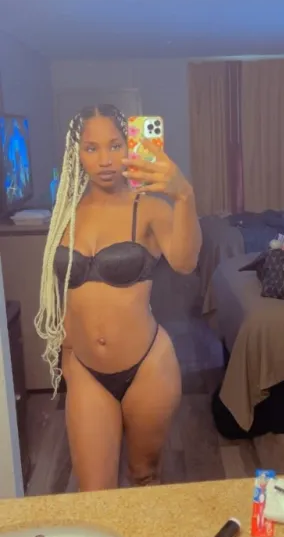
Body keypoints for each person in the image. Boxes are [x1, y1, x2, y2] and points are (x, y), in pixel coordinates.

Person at [35, 104, 201, 492]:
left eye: (114, 145)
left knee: (144, 477)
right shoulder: (65, 214)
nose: (105, 160)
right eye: (91, 148)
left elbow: (185, 262)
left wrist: (184, 195)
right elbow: (64, 292)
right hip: (85, 370)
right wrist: (67, 356)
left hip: (148, 367)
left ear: (129, 146)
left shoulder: (149, 207)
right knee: (95, 495)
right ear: (76, 153)